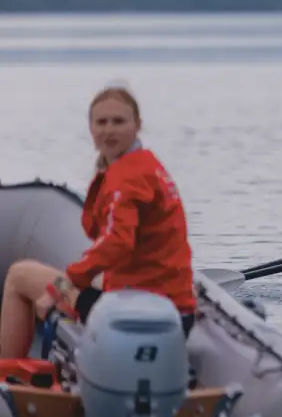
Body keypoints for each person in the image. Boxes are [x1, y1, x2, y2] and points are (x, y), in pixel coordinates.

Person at [0, 86, 196, 360]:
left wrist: (62, 286)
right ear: (91, 127)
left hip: (131, 313)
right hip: (168, 305)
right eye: (101, 122)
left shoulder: (126, 177)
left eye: (118, 121)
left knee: (20, 276)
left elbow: (117, 241)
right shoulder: (147, 165)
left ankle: (8, 379)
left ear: (137, 125)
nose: (109, 130)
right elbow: (98, 229)